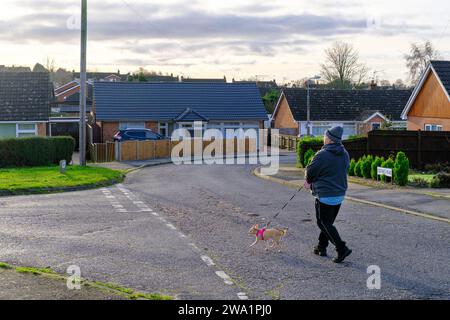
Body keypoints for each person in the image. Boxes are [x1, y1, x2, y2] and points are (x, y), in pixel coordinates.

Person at [304, 126, 352, 263]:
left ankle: (341, 248)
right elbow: (345, 170)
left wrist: (308, 180)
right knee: (327, 223)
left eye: (325, 136)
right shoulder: (344, 153)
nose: (323, 138)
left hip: (325, 194)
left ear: (329, 139)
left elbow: (310, 172)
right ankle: (321, 247)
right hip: (340, 193)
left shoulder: (322, 154)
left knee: (323, 222)